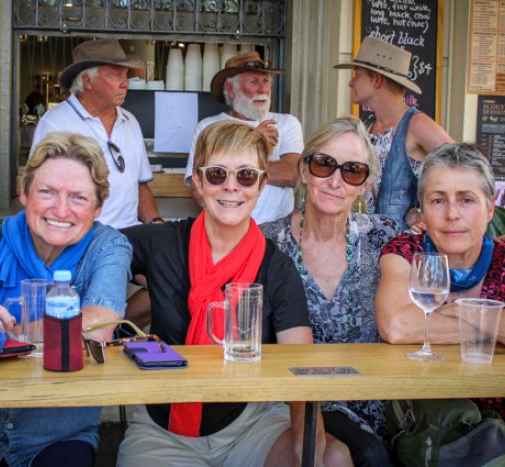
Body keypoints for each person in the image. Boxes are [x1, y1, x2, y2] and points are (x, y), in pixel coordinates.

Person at [118, 121, 351, 466]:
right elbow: (93, 253)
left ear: (261, 184)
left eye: (245, 176)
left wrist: (307, 446)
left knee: (332, 457)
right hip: (162, 430)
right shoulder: (161, 244)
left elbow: (301, 365)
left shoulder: (277, 267)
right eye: (216, 174)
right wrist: (103, 305)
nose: (231, 187)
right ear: (197, 182)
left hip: (251, 424)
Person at [0, 132, 132, 467]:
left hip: (57, 431)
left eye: (78, 197)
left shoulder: (107, 247)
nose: (61, 209)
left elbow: (99, 324)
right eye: (47, 192)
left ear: (98, 207)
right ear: (24, 194)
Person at [260, 116, 398, 466]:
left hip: (377, 400)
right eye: (324, 164)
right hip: (294, 401)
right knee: (368, 455)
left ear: (365, 185)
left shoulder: (385, 237)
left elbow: (444, 264)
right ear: (304, 171)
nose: (335, 180)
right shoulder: (266, 242)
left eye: (352, 171)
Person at [376, 142, 505, 428]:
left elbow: (415, 324)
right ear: (422, 211)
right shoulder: (405, 252)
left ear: (489, 209)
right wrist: (496, 329)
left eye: (466, 200)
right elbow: (397, 326)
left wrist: (456, 310)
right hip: (427, 428)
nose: (452, 214)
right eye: (438, 200)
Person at [30, 39, 162, 230]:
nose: (125, 83)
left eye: (126, 75)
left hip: (129, 238)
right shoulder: (56, 122)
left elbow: (139, 187)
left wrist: (156, 225)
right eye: (117, 75)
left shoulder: (130, 121)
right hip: (80, 239)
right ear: (87, 81)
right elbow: (41, 192)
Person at [334, 36, 454, 230]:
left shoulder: (416, 124)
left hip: (402, 252)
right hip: (365, 245)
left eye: (357, 75)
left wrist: (425, 211)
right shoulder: (368, 126)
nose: (351, 82)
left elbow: (466, 170)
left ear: (376, 79)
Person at [184, 51, 304, 225]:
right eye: (254, 81)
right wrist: (253, 141)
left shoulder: (286, 123)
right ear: (230, 89)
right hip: (224, 232)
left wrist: (222, 168)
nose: (263, 89)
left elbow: (293, 175)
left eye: (265, 81)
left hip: (276, 235)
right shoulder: (207, 127)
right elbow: (199, 191)